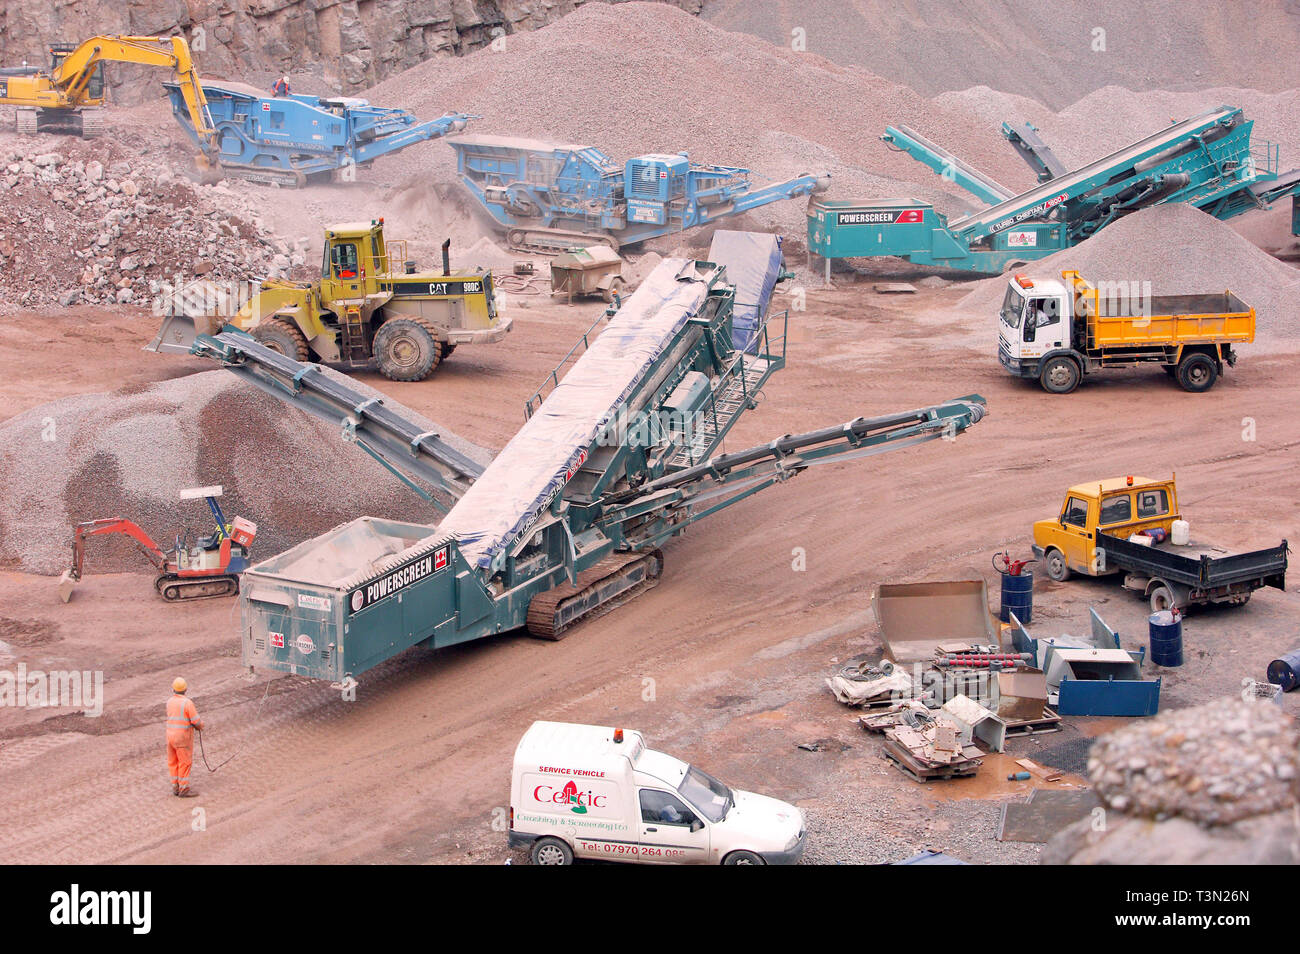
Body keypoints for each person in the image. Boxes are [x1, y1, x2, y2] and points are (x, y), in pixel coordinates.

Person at [165, 677, 204, 797]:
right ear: (185, 689)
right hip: (182, 738)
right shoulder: (187, 703)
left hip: (170, 736)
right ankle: (184, 788)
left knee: (173, 761)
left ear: (173, 689)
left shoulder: (169, 702)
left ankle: (175, 786)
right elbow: (196, 721)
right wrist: (200, 726)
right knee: (184, 762)